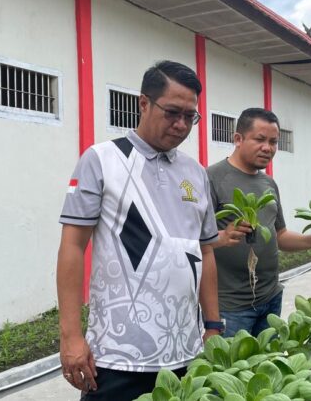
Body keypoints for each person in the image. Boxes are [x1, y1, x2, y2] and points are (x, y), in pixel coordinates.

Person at [56, 61, 222, 401]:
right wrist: (71, 336)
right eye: (172, 112)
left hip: (185, 353)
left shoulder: (196, 173)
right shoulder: (102, 160)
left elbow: (204, 251)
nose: (180, 125)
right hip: (118, 357)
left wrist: (213, 327)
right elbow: (72, 247)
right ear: (143, 103)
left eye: (190, 116)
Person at [208, 108, 311, 338]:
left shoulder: (269, 183)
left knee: (268, 370)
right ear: (238, 139)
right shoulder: (212, 178)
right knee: (233, 372)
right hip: (231, 306)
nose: (268, 148)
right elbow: (197, 244)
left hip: (270, 297)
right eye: (260, 139)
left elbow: (280, 236)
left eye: (273, 142)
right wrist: (223, 236)